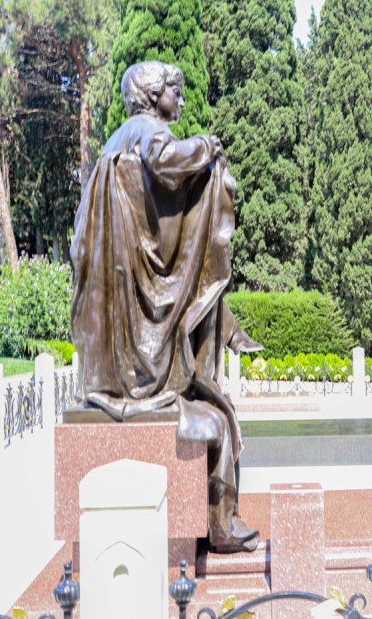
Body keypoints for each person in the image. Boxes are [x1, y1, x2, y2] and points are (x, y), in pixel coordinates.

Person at [71, 61, 260, 553]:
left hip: (119, 319)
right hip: (139, 335)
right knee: (217, 418)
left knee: (211, 401)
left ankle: (220, 522)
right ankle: (221, 525)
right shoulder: (147, 132)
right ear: (155, 96)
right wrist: (207, 146)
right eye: (175, 93)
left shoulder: (115, 141)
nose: (179, 102)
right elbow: (169, 162)